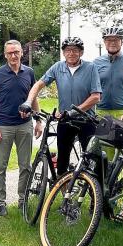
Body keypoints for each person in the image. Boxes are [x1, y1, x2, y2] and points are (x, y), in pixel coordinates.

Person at [20, 36, 102, 176]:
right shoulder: (58, 67)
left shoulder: (90, 68)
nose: (71, 53)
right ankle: (63, 192)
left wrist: (74, 112)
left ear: (81, 52)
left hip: (86, 120)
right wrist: (28, 102)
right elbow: (38, 85)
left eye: (75, 50)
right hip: (65, 120)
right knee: (63, 158)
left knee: (92, 159)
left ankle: (96, 193)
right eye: (68, 50)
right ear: (63, 53)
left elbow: (95, 96)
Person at [0, 40, 36, 216]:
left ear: (21, 52)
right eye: (10, 53)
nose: (13, 56)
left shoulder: (29, 72)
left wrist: (37, 120)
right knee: (1, 166)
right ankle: (0, 203)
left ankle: (23, 200)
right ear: (5, 54)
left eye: (16, 52)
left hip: (25, 126)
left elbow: (33, 96)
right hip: (4, 126)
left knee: (26, 166)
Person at [93, 27, 123, 118]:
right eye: (109, 40)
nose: (112, 42)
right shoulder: (96, 63)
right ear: (104, 42)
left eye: (116, 39)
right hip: (101, 111)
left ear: (122, 41)